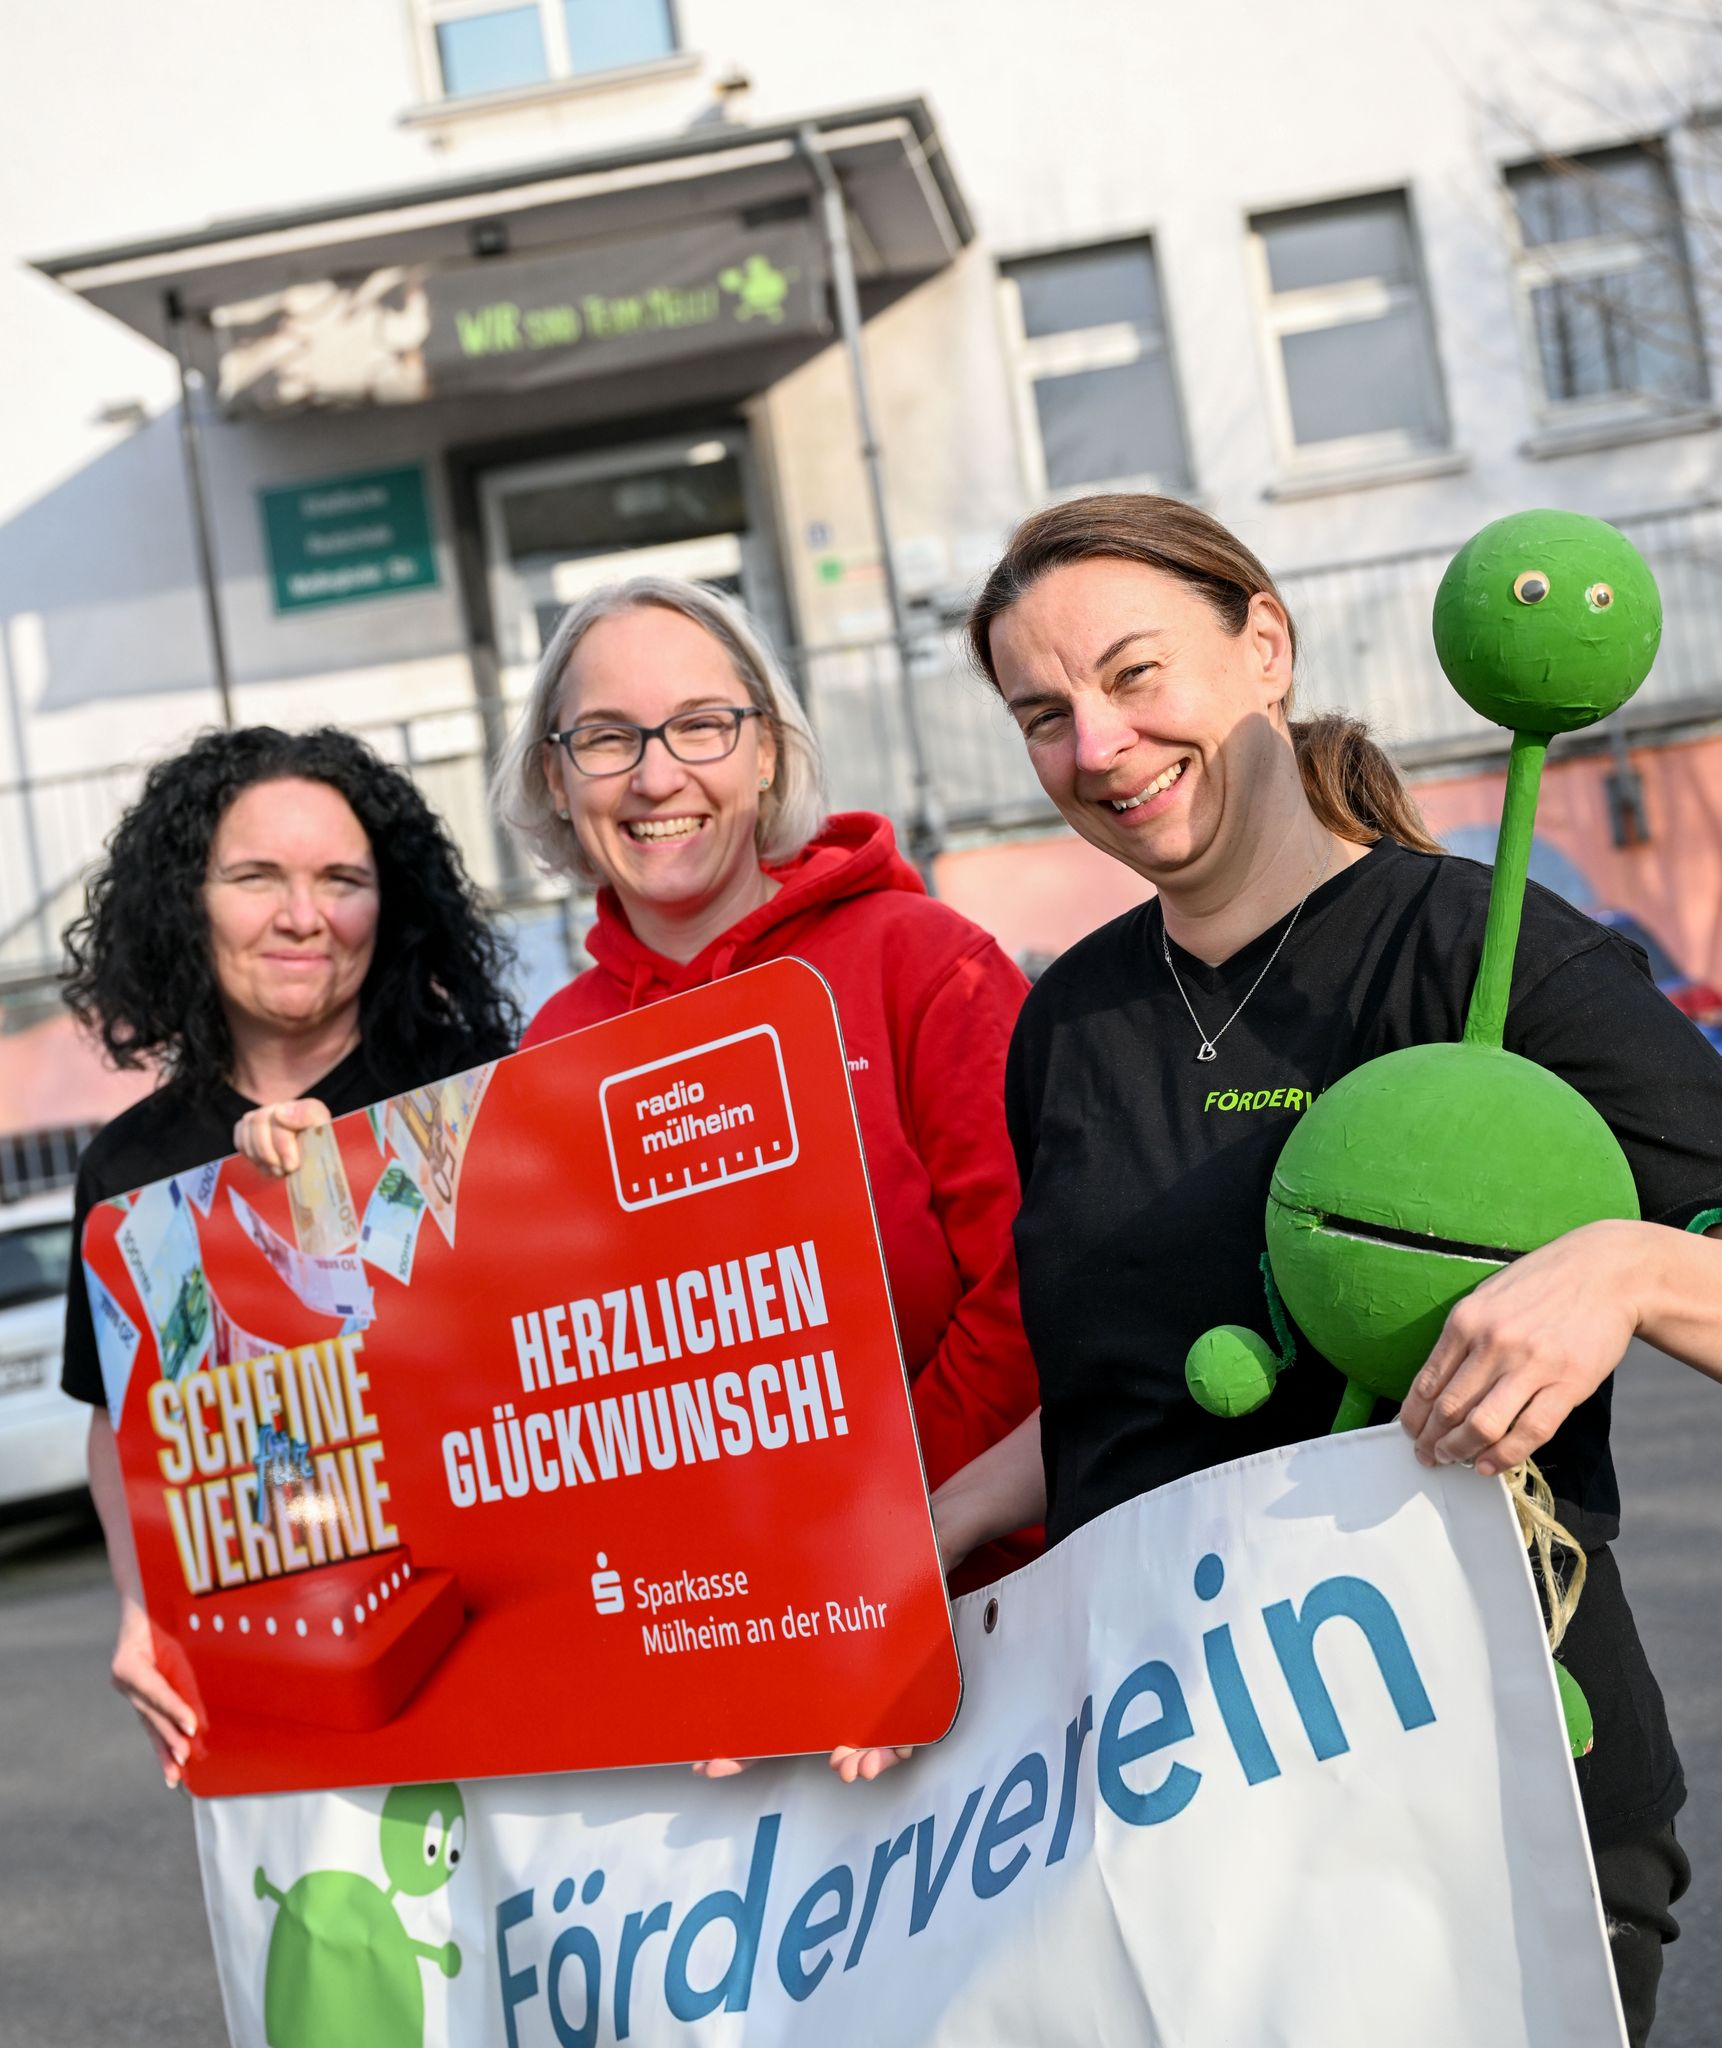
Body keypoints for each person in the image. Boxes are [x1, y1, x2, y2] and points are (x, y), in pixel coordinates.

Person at [928, 494, 1722, 2046]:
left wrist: (1625, 1267)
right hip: (1183, 1809)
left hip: (1477, 1787)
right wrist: (931, 1530)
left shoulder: (1484, 955)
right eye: (1042, 716)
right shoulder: (1064, 1025)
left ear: (1265, 649)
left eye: (1134, 674)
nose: (1097, 745)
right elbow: (1116, 1385)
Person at [491, 575, 1042, 1624]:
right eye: (605, 738)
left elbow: (1033, 1287)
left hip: (982, 1602)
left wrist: (860, 1510)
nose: (656, 775)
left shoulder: (924, 965)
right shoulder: (550, 1052)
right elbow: (558, 1376)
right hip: (708, 1624)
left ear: (768, 751)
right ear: (555, 778)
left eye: (701, 725)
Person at [61, 726, 519, 1787]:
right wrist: (141, 1609)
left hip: (507, 1646)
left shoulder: (482, 1095)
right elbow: (121, 1419)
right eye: (256, 876)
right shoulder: (128, 1172)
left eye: (342, 880)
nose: (303, 915)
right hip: (273, 1687)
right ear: (187, 899)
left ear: (391, 904)